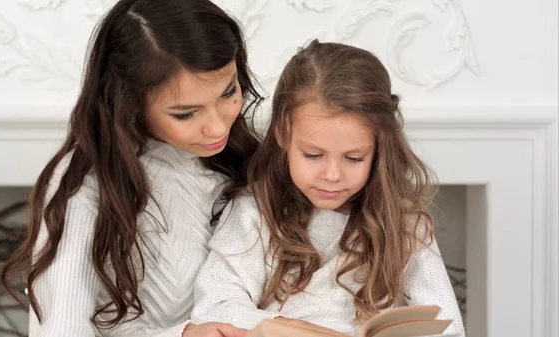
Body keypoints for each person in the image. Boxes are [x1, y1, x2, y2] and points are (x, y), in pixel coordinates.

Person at [0, 0, 262, 336]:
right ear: (129, 104)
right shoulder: (85, 186)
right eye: (185, 114)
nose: (218, 127)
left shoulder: (254, 152)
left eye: (229, 93)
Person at [191, 39, 465, 336]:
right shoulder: (253, 210)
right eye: (313, 155)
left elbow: (444, 326)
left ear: (378, 148)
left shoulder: (404, 224)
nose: (332, 175)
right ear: (283, 134)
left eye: (353, 158)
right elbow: (215, 303)